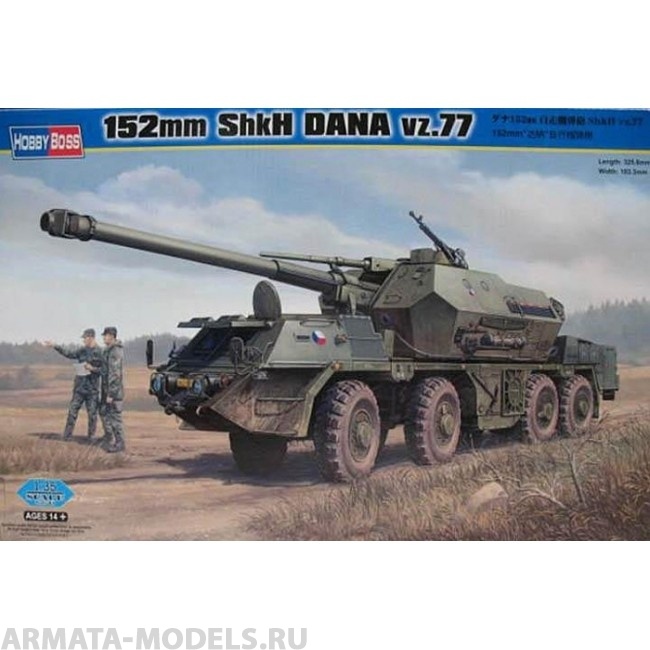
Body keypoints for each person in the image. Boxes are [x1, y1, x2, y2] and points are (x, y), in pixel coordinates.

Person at [44, 328, 103, 440]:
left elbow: (104, 371)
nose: (83, 340)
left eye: (85, 338)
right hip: (79, 389)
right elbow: (69, 353)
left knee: (92, 415)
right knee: (72, 412)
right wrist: (55, 346)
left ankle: (91, 437)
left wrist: (93, 369)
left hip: (92, 390)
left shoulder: (100, 352)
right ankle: (67, 435)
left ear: (91, 337)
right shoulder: (82, 350)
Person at [98, 326, 126, 453]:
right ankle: (110, 439)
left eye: (105, 336)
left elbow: (115, 374)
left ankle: (120, 443)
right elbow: (105, 370)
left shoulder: (115, 352)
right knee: (105, 414)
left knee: (115, 418)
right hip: (107, 390)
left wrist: (111, 394)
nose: (104, 338)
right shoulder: (109, 351)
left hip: (113, 392)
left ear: (111, 336)